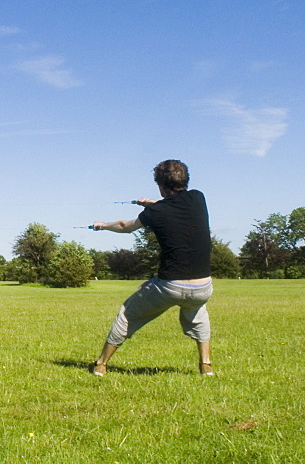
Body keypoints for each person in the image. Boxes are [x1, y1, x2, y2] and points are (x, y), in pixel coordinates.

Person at [90, 160, 214, 376]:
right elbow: (176, 207)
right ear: (185, 179)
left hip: (169, 285)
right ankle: (206, 365)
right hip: (203, 287)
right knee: (198, 312)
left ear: (161, 185)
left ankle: (101, 364)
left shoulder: (155, 212)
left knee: (128, 315)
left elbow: (125, 226)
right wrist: (150, 203)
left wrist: (102, 225)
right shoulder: (198, 197)